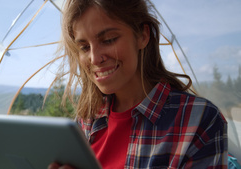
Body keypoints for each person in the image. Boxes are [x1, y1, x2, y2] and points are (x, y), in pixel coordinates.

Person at [48, 0, 228, 168]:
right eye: (84, 47)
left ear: (143, 35)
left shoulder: (199, 121)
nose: (95, 58)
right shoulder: (86, 120)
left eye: (109, 39)